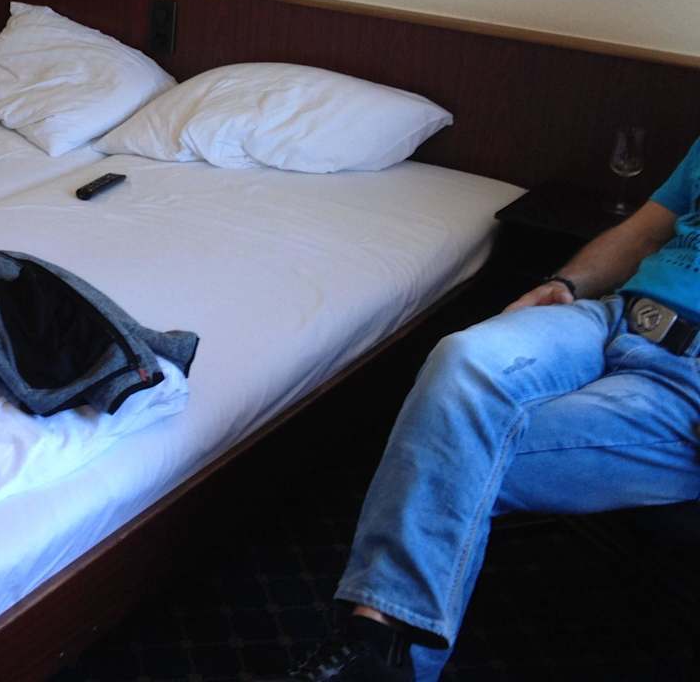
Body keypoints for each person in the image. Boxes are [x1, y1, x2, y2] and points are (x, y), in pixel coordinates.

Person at [269, 136, 700, 681]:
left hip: (686, 384)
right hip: (611, 318)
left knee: (446, 449)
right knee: (463, 356)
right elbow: (644, 231)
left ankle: (377, 640)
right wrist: (566, 283)